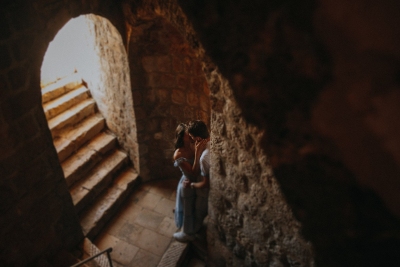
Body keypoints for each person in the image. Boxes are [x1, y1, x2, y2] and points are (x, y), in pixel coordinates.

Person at [173, 122, 208, 242]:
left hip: (197, 182)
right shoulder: (179, 154)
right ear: (182, 137)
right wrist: (198, 153)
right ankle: (187, 233)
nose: (191, 136)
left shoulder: (193, 144)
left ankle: (195, 227)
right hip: (188, 184)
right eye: (188, 135)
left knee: (196, 209)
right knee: (188, 210)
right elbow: (193, 172)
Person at [185, 120, 210, 237]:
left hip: (204, 193)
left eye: (191, 137)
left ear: (198, 138)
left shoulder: (204, 157)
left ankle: (193, 235)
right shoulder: (211, 142)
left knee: (199, 215)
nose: (191, 139)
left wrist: (191, 185)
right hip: (202, 189)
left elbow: (206, 183)